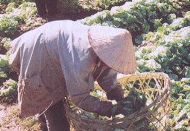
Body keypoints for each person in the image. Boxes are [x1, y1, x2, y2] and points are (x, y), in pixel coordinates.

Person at [9, 20, 137, 131]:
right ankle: (48, 121)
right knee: (53, 106)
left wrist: (118, 96)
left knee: (53, 99)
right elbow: (79, 97)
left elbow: (107, 73)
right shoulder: (80, 57)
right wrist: (110, 109)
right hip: (37, 52)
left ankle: (44, 119)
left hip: (53, 43)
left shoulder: (101, 47)